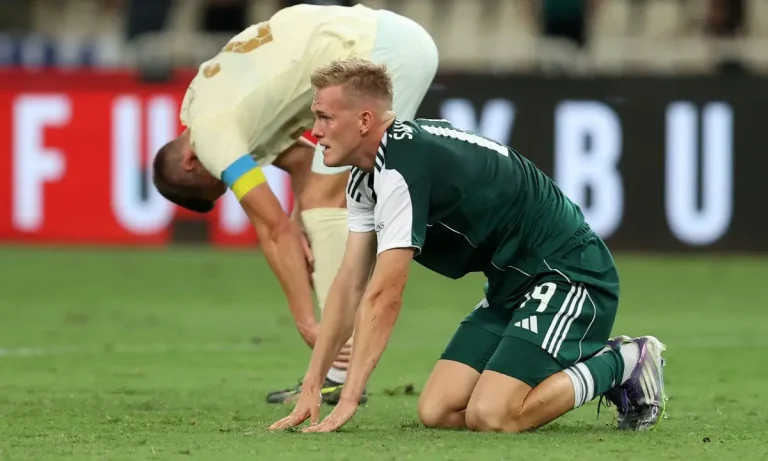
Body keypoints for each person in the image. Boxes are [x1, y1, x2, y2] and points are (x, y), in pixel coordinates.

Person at [268, 58, 667, 433]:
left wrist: (349, 398)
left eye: (325, 117)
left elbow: (385, 295)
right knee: (437, 411)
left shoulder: (403, 166)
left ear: (364, 120)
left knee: (493, 415)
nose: (314, 131)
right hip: (511, 283)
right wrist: (313, 383)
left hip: (568, 272)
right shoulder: (368, 174)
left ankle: (623, 362)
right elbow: (350, 282)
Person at [151, 4, 439, 405]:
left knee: (330, 198)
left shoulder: (210, 137)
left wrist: (307, 323)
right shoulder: (210, 98)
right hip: (385, 36)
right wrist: (301, 214)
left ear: (190, 161)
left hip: (377, 54)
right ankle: (340, 365)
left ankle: (337, 368)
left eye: (219, 181)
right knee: (330, 197)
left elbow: (274, 229)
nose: (226, 179)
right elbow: (303, 163)